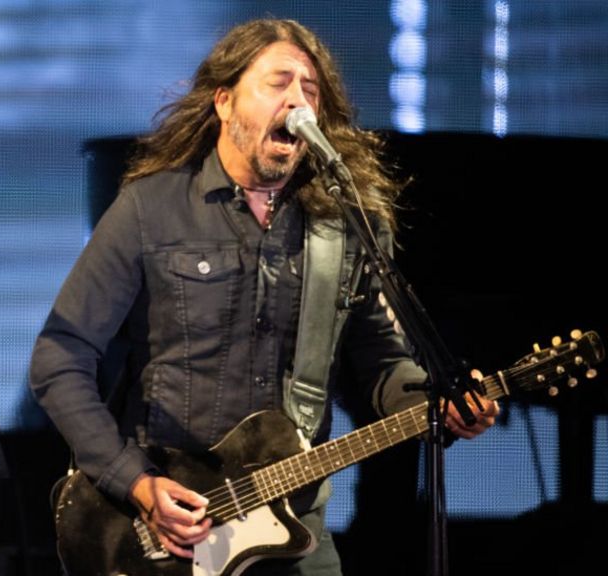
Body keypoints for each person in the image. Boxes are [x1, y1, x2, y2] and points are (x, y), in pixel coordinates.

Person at [29, 18, 498, 575]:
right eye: (279, 83)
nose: (298, 100)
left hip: (294, 526)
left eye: (311, 90)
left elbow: (378, 363)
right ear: (224, 102)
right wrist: (136, 481)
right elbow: (60, 358)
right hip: (166, 525)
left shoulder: (346, 226)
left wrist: (434, 401)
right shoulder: (149, 209)